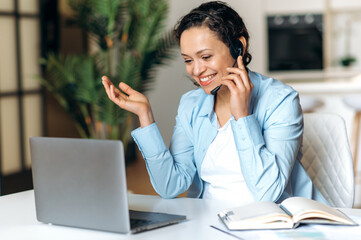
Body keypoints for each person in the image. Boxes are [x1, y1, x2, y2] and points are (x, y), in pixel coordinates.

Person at [102, 1, 328, 205]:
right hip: (209, 223)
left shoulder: (280, 100)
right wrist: (145, 117)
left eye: (206, 57)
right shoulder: (191, 105)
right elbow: (171, 187)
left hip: (269, 224)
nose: (196, 70)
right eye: (188, 60)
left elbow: (267, 193)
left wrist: (242, 116)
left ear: (238, 46)